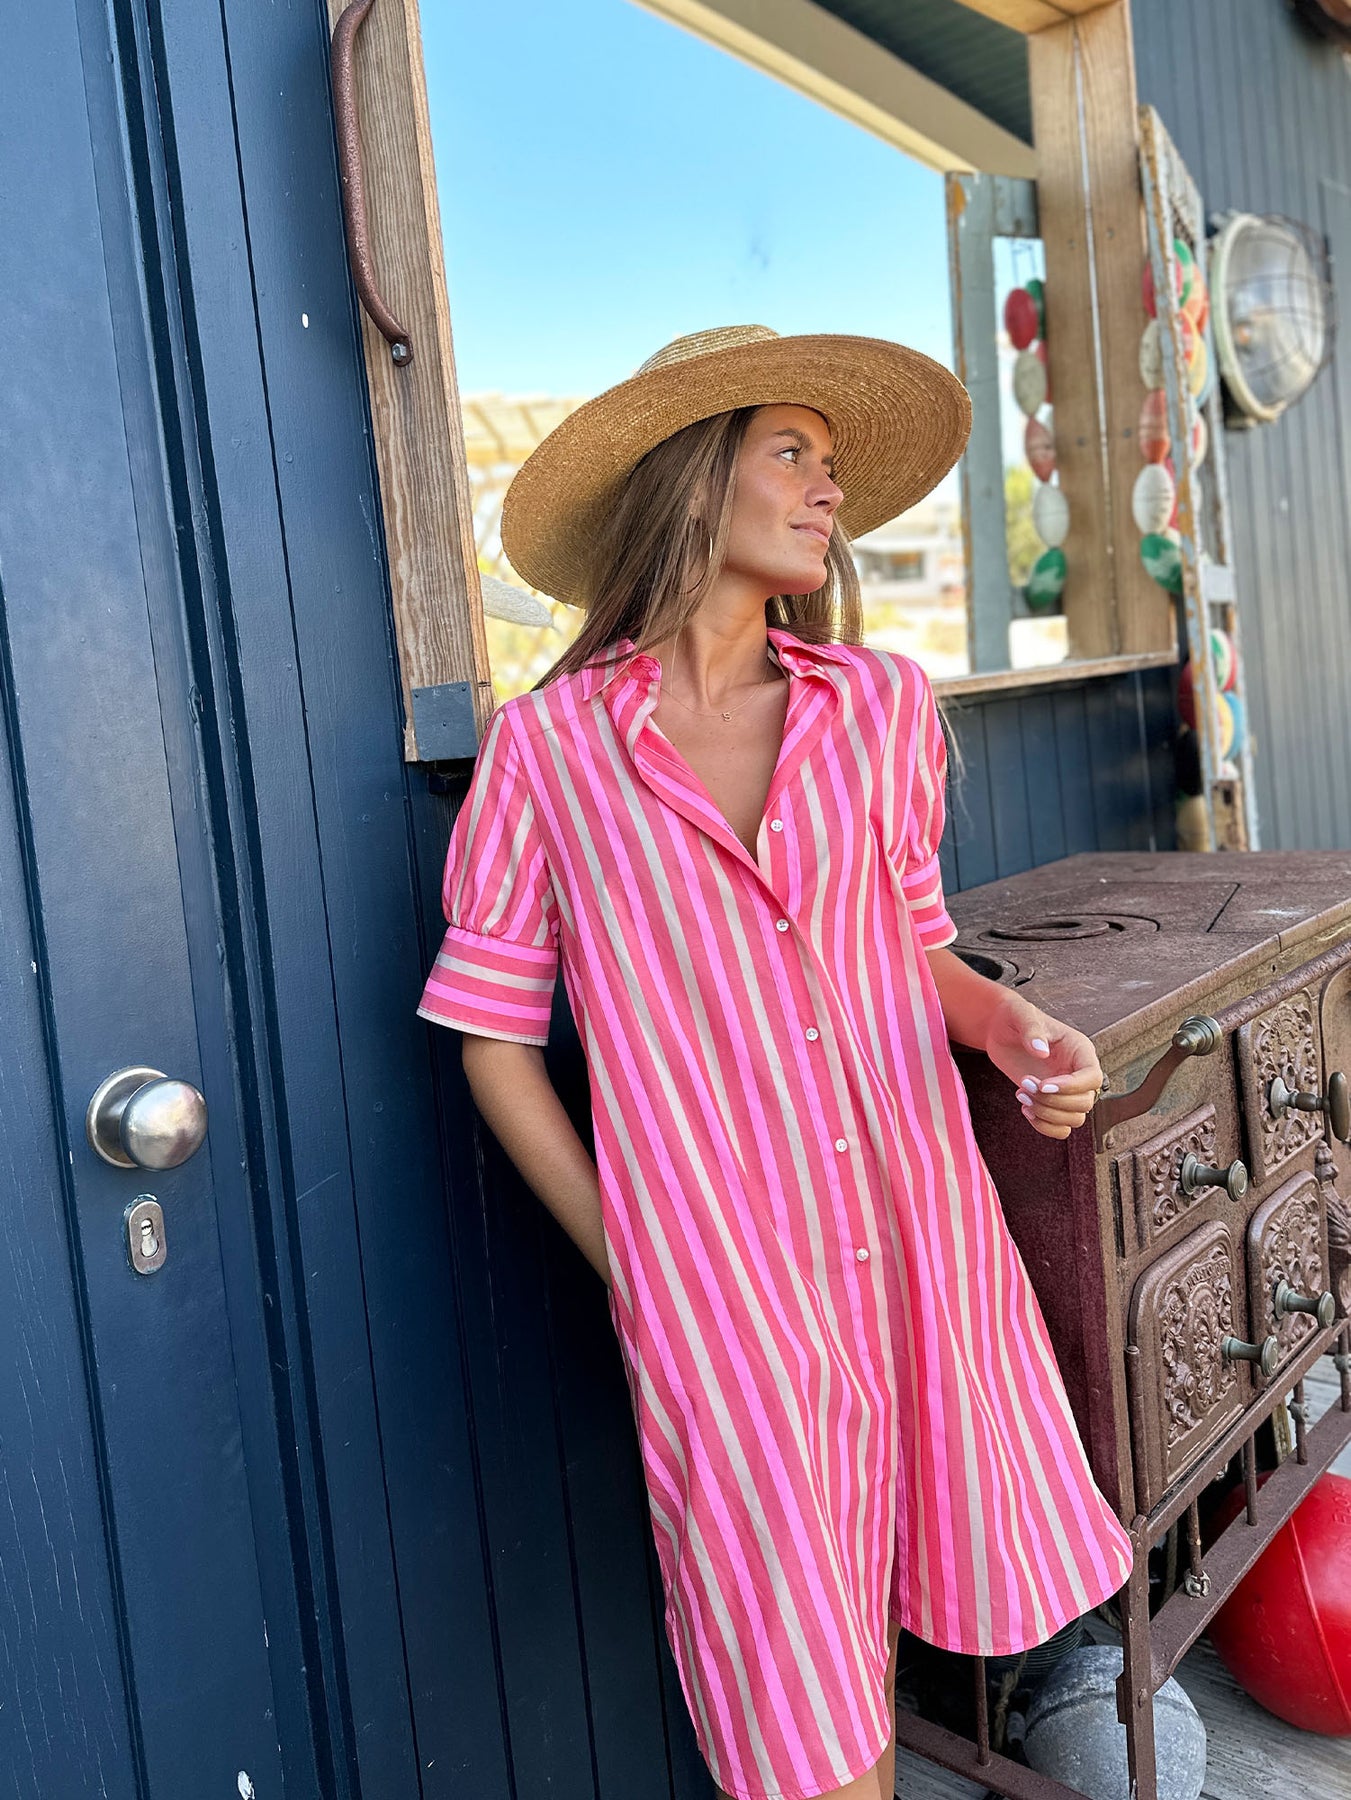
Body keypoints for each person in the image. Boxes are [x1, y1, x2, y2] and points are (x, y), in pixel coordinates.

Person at [416, 325, 1134, 1800]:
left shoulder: (879, 708)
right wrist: (639, 1254)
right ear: (694, 478)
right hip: (725, 1287)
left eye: (833, 463)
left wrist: (1017, 1032)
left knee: (930, 1587)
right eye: (791, 452)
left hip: (916, 1238)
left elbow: (917, 951)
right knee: (805, 1698)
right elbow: (493, 1041)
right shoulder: (549, 753)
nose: (830, 491)